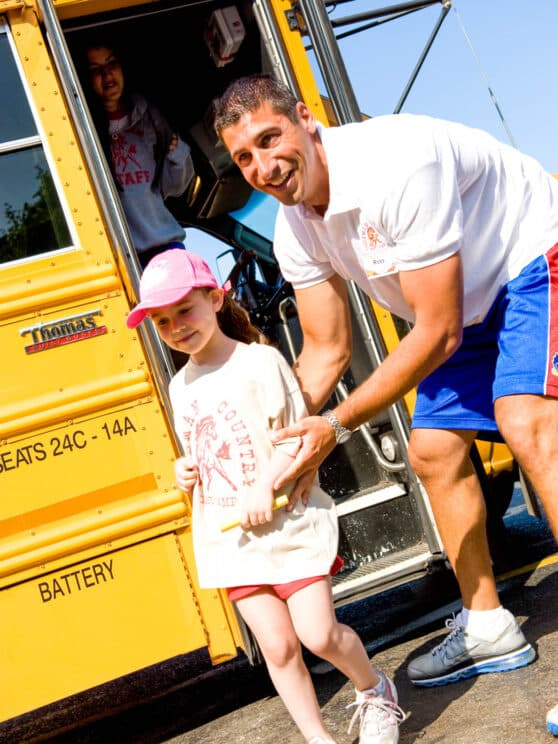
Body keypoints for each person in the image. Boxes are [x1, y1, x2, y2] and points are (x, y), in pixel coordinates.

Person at [213, 74, 558, 724]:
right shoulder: (295, 228)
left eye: (269, 138)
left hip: (530, 258)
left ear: (306, 121)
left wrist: (334, 425)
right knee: (431, 453)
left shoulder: (396, 164)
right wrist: (278, 442)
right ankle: (487, 627)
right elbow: (324, 351)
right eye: (244, 157)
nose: (263, 165)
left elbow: (438, 330)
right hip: (467, 304)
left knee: (528, 426)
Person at [125, 248, 408, 744]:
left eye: (185, 310)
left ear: (216, 298)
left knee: (319, 635)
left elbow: (296, 439)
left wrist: (264, 484)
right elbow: (203, 451)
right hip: (231, 539)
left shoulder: (260, 361)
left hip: (288, 525)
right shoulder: (179, 386)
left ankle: (374, 688)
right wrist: (184, 470)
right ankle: (318, 739)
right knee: (277, 648)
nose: (175, 327)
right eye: (162, 321)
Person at [84, 40, 195, 267]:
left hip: (166, 248)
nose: (107, 74)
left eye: (111, 63)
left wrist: (177, 155)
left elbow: (171, 187)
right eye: (95, 70)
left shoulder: (149, 117)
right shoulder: (83, 130)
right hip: (123, 261)